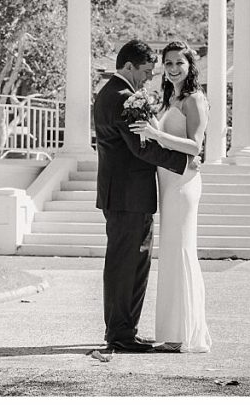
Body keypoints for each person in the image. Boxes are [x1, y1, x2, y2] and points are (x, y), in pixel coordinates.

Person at [94, 39, 197, 353]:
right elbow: (141, 148)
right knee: (128, 265)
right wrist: (185, 162)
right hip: (128, 196)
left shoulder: (108, 92)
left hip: (122, 194)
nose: (150, 78)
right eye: (146, 71)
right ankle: (122, 334)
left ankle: (122, 330)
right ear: (128, 67)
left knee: (125, 263)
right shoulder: (122, 97)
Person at [130, 41, 212, 353]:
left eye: (180, 63)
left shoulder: (195, 99)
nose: (174, 68)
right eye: (169, 63)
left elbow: (195, 147)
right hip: (166, 180)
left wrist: (158, 135)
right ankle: (171, 331)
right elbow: (162, 140)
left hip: (184, 181)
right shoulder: (169, 97)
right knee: (171, 251)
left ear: (190, 66)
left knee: (180, 250)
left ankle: (183, 335)